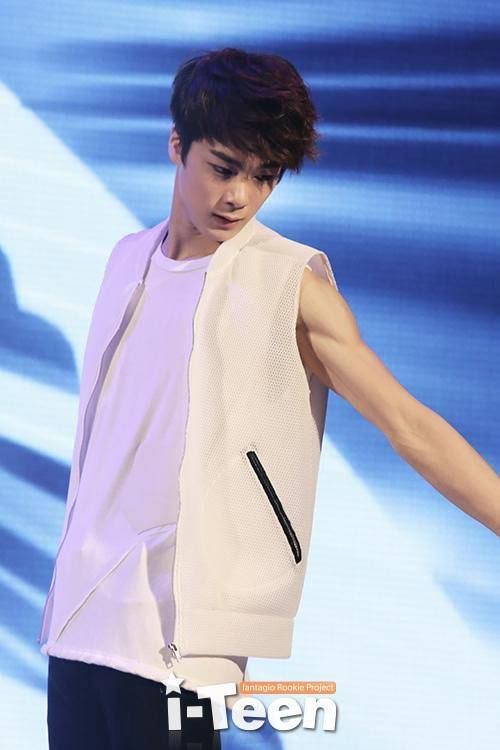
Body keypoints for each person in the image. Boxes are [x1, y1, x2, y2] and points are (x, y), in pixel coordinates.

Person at [38, 46, 500, 749]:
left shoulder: (289, 285)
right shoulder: (126, 257)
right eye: (224, 168)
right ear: (177, 145)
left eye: (264, 176)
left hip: (184, 638)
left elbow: (407, 423)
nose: (241, 196)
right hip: (78, 614)